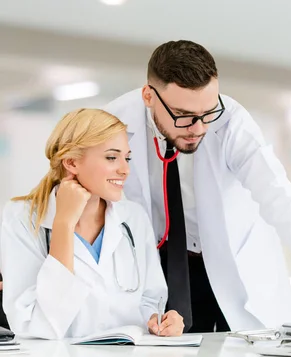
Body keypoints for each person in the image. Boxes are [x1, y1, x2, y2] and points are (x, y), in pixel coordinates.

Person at [103, 40, 291, 334]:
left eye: (207, 113)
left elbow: (277, 193)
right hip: (159, 266)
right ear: (148, 96)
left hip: (231, 263)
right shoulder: (112, 122)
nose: (198, 128)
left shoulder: (231, 121)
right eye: (183, 115)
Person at [0, 109, 184, 339]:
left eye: (126, 158)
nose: (125, 169)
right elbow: (33, 324)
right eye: (111, 157)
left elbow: (149, 299)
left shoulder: (134, 218)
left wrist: (161, 322)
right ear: (71, 162)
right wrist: (64, 224)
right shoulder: (21, 218)